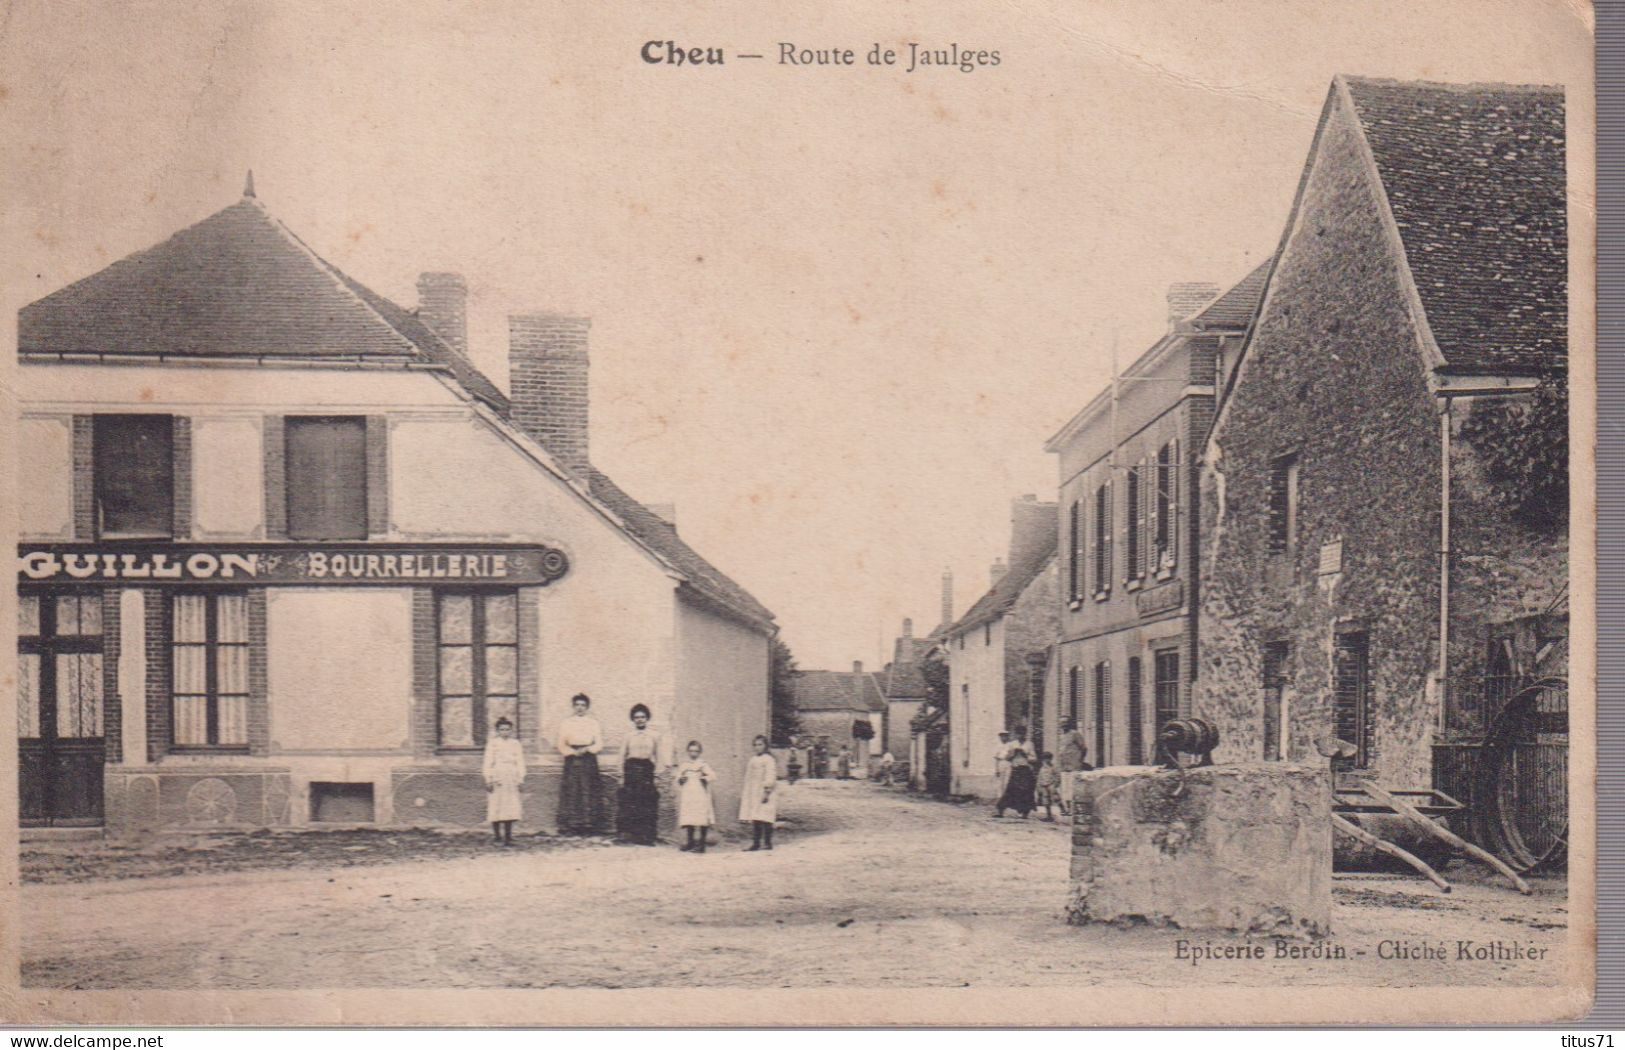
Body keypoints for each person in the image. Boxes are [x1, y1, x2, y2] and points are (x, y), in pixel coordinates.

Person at [617, 703, 668, 845]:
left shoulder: (655, 735)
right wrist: (621, 775)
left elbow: (659, 756)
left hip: (647, 770)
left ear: (647, 718)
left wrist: (657, 776)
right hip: (631, 770)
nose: (640, 720)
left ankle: (647, 836)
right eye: (636, 717)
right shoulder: (628, 736)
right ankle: (630, 836)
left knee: (647, 803)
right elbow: (622, 755)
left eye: (643, 717)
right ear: (633, 719)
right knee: (630, 802)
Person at [554, 693, 603, 835]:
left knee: (588, 789)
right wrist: (572, 752)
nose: (580, 708)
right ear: (573, 706)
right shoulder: (566, 723)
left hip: (588, 758)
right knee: (572, 790)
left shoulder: (593, 723)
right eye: (577, 705)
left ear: (587, 707)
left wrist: (588, 749)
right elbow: (561, 743)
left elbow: (599, 743)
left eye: (583, 705)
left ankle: (589, 825)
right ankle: (571, 825)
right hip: (572, 759)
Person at [482, 716, 526, 846]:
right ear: (497, 731)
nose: (505, 732)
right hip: (498, 775)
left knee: (510, 806)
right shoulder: (493, 743)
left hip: (511, 776)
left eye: (507, 729)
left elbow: (520, 762)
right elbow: (488, 762)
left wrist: (520, 779)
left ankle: (508, 836)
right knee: (496, 805)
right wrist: (488, 779)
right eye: (502, 729)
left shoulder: (515, 744)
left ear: (511, 730)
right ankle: (497, 836)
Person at [738, 734, 778, 851]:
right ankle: (756, 843)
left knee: (766, 817)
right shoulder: (753, 760)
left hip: (765, 791)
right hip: (754, 791)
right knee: (756, 817)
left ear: (765, 746)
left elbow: (771, 775)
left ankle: (767, 842)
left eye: (760, 744)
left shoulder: (769, 759)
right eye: (755, 745)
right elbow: (749, 777)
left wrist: (767, 790)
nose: (757, 747)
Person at [675, 740, 717, 852]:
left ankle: (701, 845)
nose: (693, 753)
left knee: (701, 817)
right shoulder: (684, 764)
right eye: (691, 751)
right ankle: (690, 842)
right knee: (690, 818)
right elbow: (678, 776)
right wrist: (681, 779)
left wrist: (704, 778)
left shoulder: (702, 764)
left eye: (696, 751)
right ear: (687, 751)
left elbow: (713, 775)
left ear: (700, 752)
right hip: (688, 794)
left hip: (700, 793)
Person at [994, 726, 1037, 819]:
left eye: (1022, 733)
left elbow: (1034, 759)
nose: (1020, 735)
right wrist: (1013, 754)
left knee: (1026, 792)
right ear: (1016, 734)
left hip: (1025, 770)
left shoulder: (1029, 744)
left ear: (1025, 734)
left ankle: (1025, 812)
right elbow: (1006, 758)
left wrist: (1025, 755)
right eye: (1018, 733)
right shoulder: (1012, 744)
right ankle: (1000, 811)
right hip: (1015, 770)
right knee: (1010, 790)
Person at [1054, 718, 1091, 816]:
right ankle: (1067, 809)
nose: (1064, 725)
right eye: (1062, 723)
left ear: (1070, 724)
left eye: (1066, 723)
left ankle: (1073, 809)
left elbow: (1084, 748)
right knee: (1065, 788)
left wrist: (1080, 760)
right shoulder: (1062, 736)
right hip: (1064, 766)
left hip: (1074, 765)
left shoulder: (1075, 734)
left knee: (1072, 787)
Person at [1034, 751, 1059, 822]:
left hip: (1051, 784)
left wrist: (1056, 783)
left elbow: (1057, 775)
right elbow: (1039, 777)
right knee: (1046, 801)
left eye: (1048, 759)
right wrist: (1038, 785)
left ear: (1051, 759)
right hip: (1044, 785)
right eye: (1045, 759)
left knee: (1055, 798)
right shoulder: (1042, 768)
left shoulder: (1053, 767)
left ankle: (1063, 810)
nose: (1046, 760)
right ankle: (1049, 815)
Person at [993, 731, 1014, 796]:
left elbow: (1012, 754)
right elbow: (996, 758)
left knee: (1007, 781)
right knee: (1000, 782)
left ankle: (1007, 798)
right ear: (1000, 737)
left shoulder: (1010, 745)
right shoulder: (998, 746)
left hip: (1008, 763)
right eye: (1002, 736)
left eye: (1005, 736)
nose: (1003, 738)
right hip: (1000, 763)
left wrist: (1010, 756)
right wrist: (996, 769)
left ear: (1007, 737)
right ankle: (1000, 797)